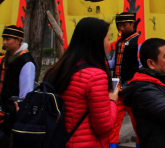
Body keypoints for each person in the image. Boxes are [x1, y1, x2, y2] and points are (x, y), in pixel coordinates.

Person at [43, 17, 118, 148]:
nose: (108, 43)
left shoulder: (54, 69)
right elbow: (103, 126)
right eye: (107, 38)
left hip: (57, 140)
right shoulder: (96, 76)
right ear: (97, 42)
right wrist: (112, 100)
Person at [108, 12, 140, 148]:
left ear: (132, 24)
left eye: (124, 25)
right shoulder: (119, 41)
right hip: (118, 90)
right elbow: (114, 62)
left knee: (138, 123)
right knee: (113, 122)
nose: (121, 28)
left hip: (133, 90)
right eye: (119, 25)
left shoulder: (139, 41)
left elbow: (141, 65)